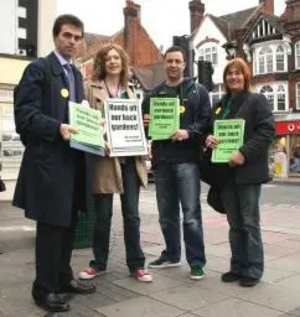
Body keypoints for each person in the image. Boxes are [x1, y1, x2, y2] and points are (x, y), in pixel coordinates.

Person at [13, 15, 96, 312]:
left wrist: (95, 136)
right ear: (55, 36)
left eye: (77, 37)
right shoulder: (39, 69)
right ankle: (43, 289)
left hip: (74, 161)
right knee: (51, 227)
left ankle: (62, 278)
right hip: (49, 163)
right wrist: (57, 128)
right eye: (67, 36)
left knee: (70, 224)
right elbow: (25, 114)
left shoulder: (75, 75)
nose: (72, 41)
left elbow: (80, 118)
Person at [79, 43, 153, 283]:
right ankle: (98, 263)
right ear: (103, 63)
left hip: (130, 160)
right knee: (102, 216)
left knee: (132, 215)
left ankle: (137, 265)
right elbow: (84, 121)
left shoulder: (131, 91)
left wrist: (142, 127)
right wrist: (98, 136)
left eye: (116, 58)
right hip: (104, 160)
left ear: (123, 63)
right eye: (108, 58)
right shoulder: (90, 88)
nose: (112, 62)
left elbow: (131, 125)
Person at [142, 45, 211, 280]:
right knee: (166, 214)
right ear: (164, 63)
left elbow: (205, 122)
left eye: (177, 61)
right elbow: (143, 126)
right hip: (162, 161)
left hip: (187, 160)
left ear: (184, 64)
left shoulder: (198, 91)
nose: (173, 65)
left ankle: (196, 261)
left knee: (191, 214)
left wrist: (188, 132)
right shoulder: (153, 95)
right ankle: (171, 254)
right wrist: (145, 121)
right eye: (169, 61)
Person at [204, 58, 275, 287]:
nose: (234, 77)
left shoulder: (257, 101)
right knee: (234, 223)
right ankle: (237, 266)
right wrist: (209, 138)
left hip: (248, 172)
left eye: (238, 73)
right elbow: (210, 131)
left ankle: (253, 268)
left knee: (249, 222)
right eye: (229, 73)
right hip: (225, 174)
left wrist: (244, 153)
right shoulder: (220, 105)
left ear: (246, 77)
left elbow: (266, 132)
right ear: (224, 79)